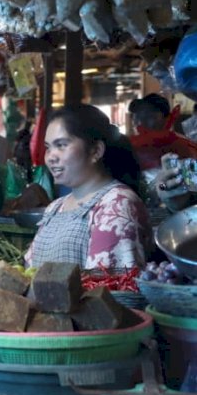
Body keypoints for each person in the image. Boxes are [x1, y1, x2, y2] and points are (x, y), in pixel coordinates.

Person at [25, 104, 150, 270]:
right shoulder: (55, 208)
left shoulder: (117, 205)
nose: (51, 157)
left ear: (96, 151)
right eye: (48, 147)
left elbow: (107, 288)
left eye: (61, 145)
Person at [129, 93, 197, 171]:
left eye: (150, 117)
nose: (139, 123)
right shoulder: (134, 146)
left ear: (165, 117)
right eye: (136, 119)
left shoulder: (182, 145)